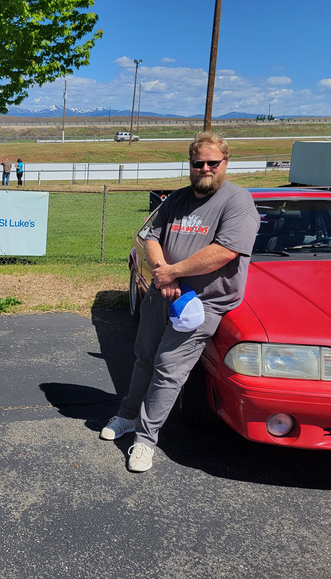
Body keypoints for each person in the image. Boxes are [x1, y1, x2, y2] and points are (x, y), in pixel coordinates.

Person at [100, 131, 259, 472]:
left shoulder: (237, 201)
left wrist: (174, 273)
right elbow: (152, 237)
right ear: (190, 165)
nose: (204, 169)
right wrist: (163, 272)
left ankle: (145, 440)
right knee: (144, 357)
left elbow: (224, 251)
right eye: (197, 163)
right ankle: (127, 416)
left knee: (168, 369)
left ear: (225, 163)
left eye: (212, 163)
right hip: (162, 293)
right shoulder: (177, 199)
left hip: (200, 303)